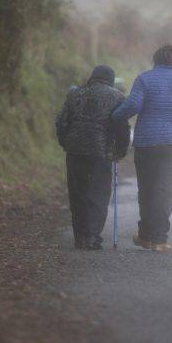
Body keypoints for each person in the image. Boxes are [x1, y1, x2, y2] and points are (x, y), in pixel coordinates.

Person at [111, 45, 172, 252]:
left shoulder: (145, 79)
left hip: (147, 143)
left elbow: (133, 105)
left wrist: (114, 117)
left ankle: (147, 236)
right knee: (166, 190)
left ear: (155, 60)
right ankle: (158, 239)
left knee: (147, 190)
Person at [56, 65, 130, 250]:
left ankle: (80, 237)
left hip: (75, 150)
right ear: (111, 80)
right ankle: (92, 236)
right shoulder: (117, 97)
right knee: (99, 193)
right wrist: (120, 150)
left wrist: (65, 142)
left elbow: (61, 121)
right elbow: (122, 127)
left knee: (77, 193)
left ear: (92, 77)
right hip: (101, 151)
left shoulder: (75, 94)